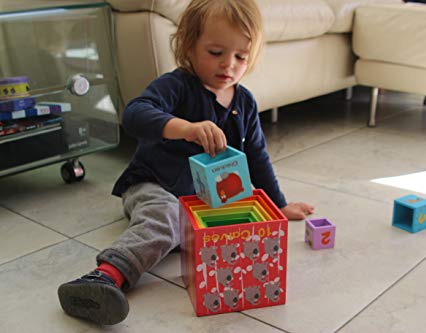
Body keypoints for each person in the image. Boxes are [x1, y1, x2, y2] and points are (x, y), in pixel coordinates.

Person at [57, 0, 314, 325]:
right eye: (216, 52)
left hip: (202, 198)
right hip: (154, 185)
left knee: (245, 214)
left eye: (240, 57)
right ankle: (104, 277)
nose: (229, 65)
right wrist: (185, 128)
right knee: (165, 218)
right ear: (189, 47)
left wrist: (279, 204)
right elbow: (134, 114)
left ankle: (183, 235)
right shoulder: (177, 85)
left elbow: (257, 157)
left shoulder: (244, 102)